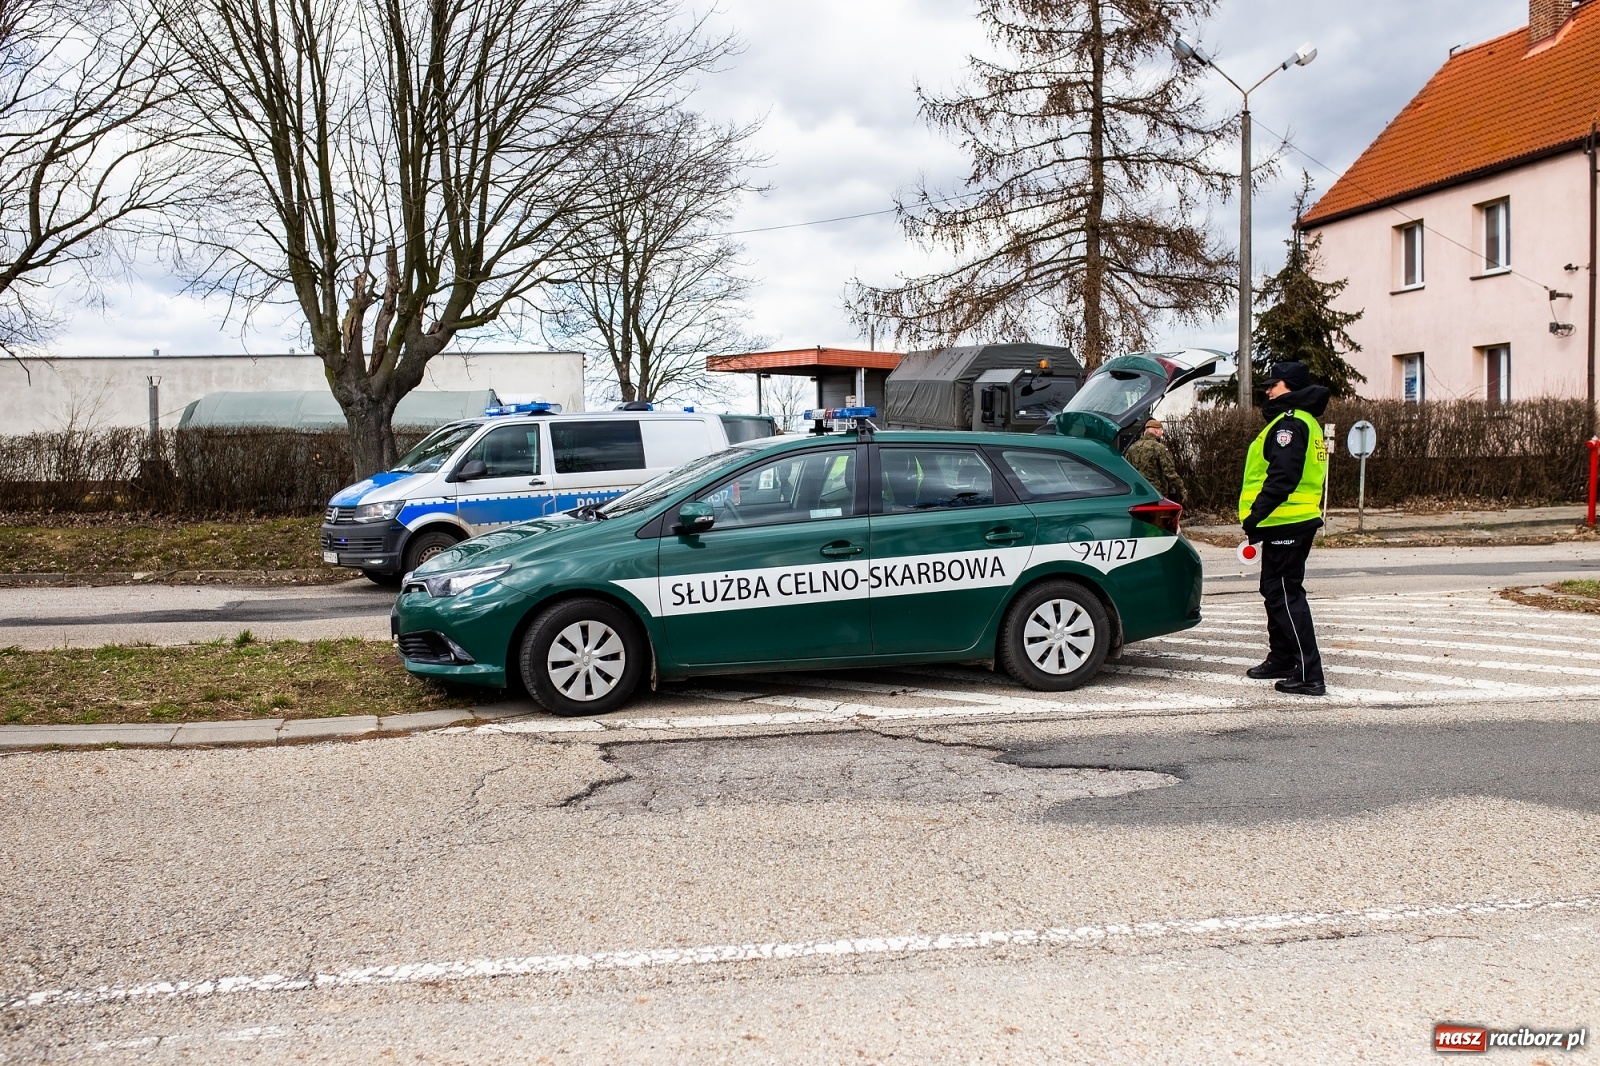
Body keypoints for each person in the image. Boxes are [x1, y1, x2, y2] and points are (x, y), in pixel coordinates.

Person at [1238, 362, 1329, 696]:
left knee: (1286, 596)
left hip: (1285, 520)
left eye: (1272, 385)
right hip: (1290, 519)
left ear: (1288, 386)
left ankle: (1309, 675)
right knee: (1274, 590)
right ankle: (1282, 658)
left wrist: (1255, 515)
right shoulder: (1305, 421)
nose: (1267, 390)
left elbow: (1283, 477)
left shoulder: (1290, 424)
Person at [1124, 418, 1185, 503]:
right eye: (1161, 431)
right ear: (1156, 431)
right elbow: (1170, 473)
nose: (1161, 434)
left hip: (1138, 493)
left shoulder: (1132, 448)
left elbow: (1127, 472)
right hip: (1157, 494)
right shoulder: (1159, 448)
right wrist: (1182, 490)